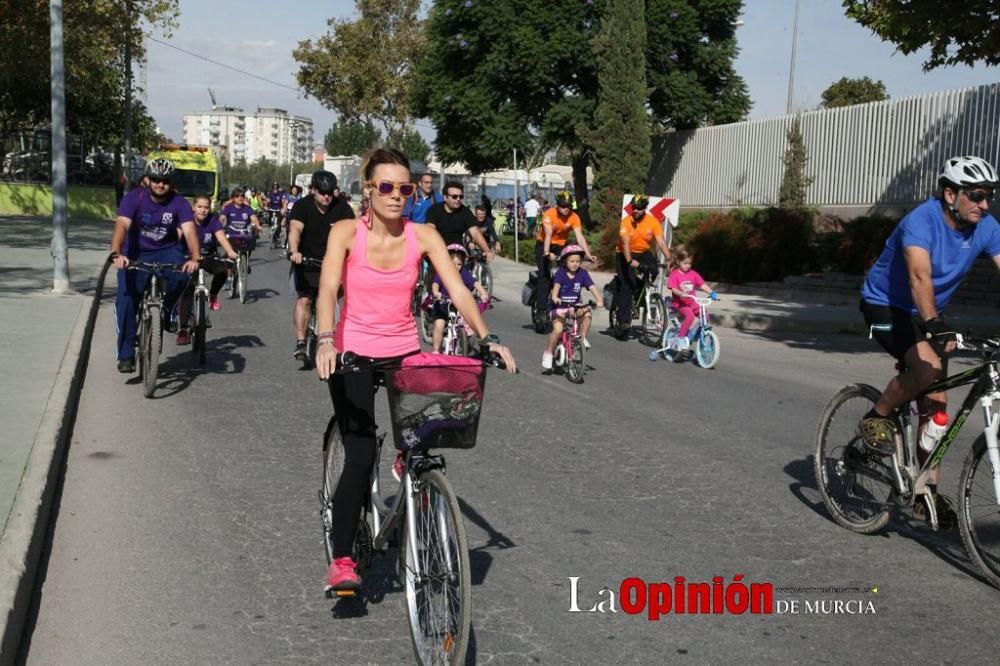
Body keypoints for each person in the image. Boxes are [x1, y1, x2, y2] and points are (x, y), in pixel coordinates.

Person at [312, 147, 516, 593]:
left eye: (404, 188)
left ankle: (411, 470)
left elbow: (458, 291)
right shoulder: (346, 232)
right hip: (351, 354)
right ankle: (343, 558)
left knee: (426, 435)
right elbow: (328, 289)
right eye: (385, 186)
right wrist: (326, 340)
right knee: (362, 453)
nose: (396, 195)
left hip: (404, 350)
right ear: (368, 190)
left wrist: (488, 337)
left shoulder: (422, 235)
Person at [859, 156, 1000, 518]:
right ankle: (878, 414)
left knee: (936, 408)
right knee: (926, 369)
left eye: (990, 197)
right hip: (885, 307)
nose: (985, 205)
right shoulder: (920, 221)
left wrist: (935, 322)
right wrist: (935, 323)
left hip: (928, 313)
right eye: (978, 196)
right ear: (950, 193)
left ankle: (925, 492)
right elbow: (919, 278)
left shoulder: (986, 227)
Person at [109, 158, 200, 373]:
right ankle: (126, 354)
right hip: (134, 253)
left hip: (166, 251)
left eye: (165, 181)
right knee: (126, 301)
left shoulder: (179, 202)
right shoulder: (134, 198)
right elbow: (122, 225)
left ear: (171, 182)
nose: (161, 184)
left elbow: (189, 231)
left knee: (184, 274)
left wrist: (195, 258)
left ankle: (167, 310)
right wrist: (116, 253)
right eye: (156, 180)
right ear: (147, 180)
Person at [287, 170, 355, 361]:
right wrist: (294, 251)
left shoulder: (342, 207)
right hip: (307, 260)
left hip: (334, 263)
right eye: (322, 192)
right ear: (313, 190)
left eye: (330, 192)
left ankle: (335, 336)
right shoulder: (302, 206)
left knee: (336, 299)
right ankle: (301, 341)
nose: (326, 196)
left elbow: (353, 232)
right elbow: (295, 229)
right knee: (305, 300)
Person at [176, 194, 239, 345]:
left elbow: (221, 238)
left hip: (207, 257)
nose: (203, 210)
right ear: (193, 208)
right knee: (188, 289)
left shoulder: (213, 220)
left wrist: (230, 252)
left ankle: (213, 295)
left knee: (222, 270)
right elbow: (176, 236)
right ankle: (183, 330)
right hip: (188, 258)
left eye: (206, 207)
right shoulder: (186, 219)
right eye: (200, 207)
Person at [534, 190, 595, 327]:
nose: (565, 209)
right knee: (544, 276)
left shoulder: (574, 217)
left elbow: (579, 236)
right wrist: (546, 252)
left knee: (567, 273)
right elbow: (548, 234)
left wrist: (587, 254)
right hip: (544, 244)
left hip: (561, 246)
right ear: (557, 205)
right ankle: (541, 310)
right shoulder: (549, 214)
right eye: (562, 206)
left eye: (568, 206)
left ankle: (565, 302)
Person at [614, 193, 671, 338]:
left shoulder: (652, 222)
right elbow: (625, 243)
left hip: (643, 252)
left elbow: (660, 241)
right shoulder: (626, 222)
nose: (636, 211)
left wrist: (669, 258)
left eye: (639, 208)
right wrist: (629, 261)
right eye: (634, 208)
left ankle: (638, 293)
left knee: (653, 270)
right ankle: (623, 322)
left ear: (645, 208)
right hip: (624, 254)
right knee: (627, 285)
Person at [542, 245, 603, 370]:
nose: (575, 264)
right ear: (565, 261)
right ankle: (548, 353)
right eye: (572, 261)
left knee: (587, 313)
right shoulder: (560, 273)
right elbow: (556, 287)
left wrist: (599, 300)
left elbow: (592, 287)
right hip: (558, 307)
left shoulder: (583, 274)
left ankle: (581, 340)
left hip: (574, 307)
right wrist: (555, 297)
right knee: (558, 330)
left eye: (578, 261)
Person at [429, 244, 490, 353]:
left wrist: (483, 293)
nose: (456, 267)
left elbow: (474, 283)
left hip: (458, 305)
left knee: (469, 323)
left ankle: (467, 344)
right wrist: (436, 292)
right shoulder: (443, 272)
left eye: (459, 264)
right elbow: (435, 284)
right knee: (439, 325)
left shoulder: (464, 273)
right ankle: (436, 350)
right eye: (453, 264)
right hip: (443, 304)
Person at [425, 181, 495, 259]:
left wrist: (487, 251)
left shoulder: (465, 211)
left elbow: (475, 232)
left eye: (461, 197)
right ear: (445, 197)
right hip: (437, 250)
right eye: (454, 196)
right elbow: (430, 230)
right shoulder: (434, 210)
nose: (458, 199)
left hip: (457, 253)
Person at [667, 245, 718, 351]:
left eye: (689, 263)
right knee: (690, 316)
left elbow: (702, 285)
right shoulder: (674, 274)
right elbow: (673, 289)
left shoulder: (693, 274)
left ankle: (693, 334)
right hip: (680, 303)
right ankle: (680, 337)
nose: (687, 266)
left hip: (692, 302)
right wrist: (680, 293)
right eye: (685, 263)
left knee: (705, 316)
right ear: (678, 261)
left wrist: (712, 292)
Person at [219, 187, 262, 277]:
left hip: (244, 235)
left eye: (242, 196)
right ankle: (229, 276)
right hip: (231, 235)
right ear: (233, 198)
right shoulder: (228, 208)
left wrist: (258, 226)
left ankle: (245, 262)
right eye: (237, 196)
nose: (240, 198)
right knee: (229, 257)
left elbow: (254, 218)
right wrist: (219, 226)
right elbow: (222, 218)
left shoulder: (247, 208)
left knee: (251, 243)